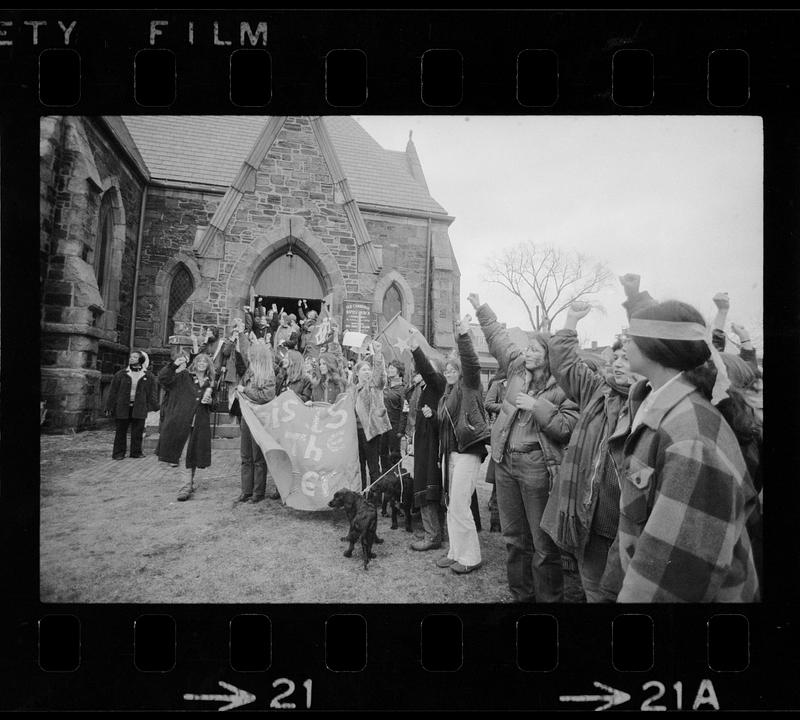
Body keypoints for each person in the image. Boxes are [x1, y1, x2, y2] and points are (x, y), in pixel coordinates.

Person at [613, 299, 760, 602]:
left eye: (630, 338)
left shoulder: (691, 437)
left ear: (655, 347)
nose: (623, 344)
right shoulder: (657, 405)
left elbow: (674, 576)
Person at [468, 292, 579, 602]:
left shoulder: (566, 385)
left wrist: (537, 405)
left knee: (544, 544)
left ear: (548, 355)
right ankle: (521, 595)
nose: (527, 352)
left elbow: (565, 427)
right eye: (527, 348)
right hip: (505, 464)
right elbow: (499, 338)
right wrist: (481, 307)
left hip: (537, 469)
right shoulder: (517, 369)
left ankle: (548, 601)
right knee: (514, 538)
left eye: (534, 349)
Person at [541, 294, 645, 602]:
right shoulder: (598, 392)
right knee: (594, 592)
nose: (617, 366)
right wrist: (571, 321)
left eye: (626, 359)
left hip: (632, 531)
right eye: (614, 361)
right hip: (594, 524)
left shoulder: (653, 403)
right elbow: (565, 363)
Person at [432, 315, 491, 574]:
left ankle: (470, 557)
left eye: (454, 369)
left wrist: (464, 336)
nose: (450, 372)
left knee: (459, 504)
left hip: (468, 452)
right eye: (448, 369)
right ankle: (455, 551)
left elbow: (471, 361)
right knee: (450, 504)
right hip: (449, 454)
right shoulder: (446, 395)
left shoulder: (470, 385)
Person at [157, 351, 215, 501]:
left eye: (205, 361)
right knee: (183, 455)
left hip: (200, 424)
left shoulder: (211, 382)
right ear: (195, 364)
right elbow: (163, 379)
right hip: (182, 421)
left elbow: (214, 405)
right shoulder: (184, 377)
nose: (202, 363)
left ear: (208, 365)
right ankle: (184, 487)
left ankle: (189, 484)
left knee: (193, 454)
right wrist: (173, 365)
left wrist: (210, 402)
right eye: (199, 361)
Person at [408, 335, 447, 551]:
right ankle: (433, 531)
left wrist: (416, 349)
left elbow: (428, 371)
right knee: (423, 485)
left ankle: (433, 536)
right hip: (423, 442)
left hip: (432, 444)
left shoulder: (437, 382)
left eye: (427, 369)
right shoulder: (423, 389)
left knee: (428, 486)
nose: (422, 372)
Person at [235, 340, 277, 503]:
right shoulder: (249, 372)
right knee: (246, 455)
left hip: (260, 418)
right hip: (247, 416)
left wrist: (245, 390)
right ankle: (246, 490)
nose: (249, 358)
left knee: (258, 457)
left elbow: (266, 396)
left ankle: (258, 491)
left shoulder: (268, 374)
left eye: (251, 356)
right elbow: (241, 386)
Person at [348, 341, 392, 491]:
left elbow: (380, 376)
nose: (367, 372)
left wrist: (378, 355)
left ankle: (376, 495)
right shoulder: (352, 390)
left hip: (371, 432)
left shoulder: (374, 386)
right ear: (357, 373)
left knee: (373, 466)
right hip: (355, 433)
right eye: (364, 370)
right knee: (359, 465)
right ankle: (361, 493)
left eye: (369, 369)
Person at [105, 350, 159, 460]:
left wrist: (155, 407)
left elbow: (152, 393)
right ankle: (119, 453)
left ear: (141, 360)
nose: (131, 358)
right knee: (121, 431)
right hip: (123, 406)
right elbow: (113, 392)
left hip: (139, 407)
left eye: (134, 357)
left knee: (137, 431)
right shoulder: (121, 374)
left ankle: (136, 452)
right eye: (131, 357)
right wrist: (109, 407)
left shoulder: (148, 376)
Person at [483, 369, 507, 532]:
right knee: (499, 479)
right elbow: (488, 404)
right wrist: (508, 406)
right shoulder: (499, 385)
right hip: (502, 434)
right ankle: (495, 521)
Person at [380, 360, 408, 476]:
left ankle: (397, 478)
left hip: (395, 426)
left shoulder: (403, 389)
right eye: (389, 368)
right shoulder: (386, 387)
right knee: (382, 453)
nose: (390, 370)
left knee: (395, 454)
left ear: (399, 371)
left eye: (393, 368)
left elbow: (405, 411)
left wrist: (401, 430)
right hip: (382, 426)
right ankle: (384, 477)